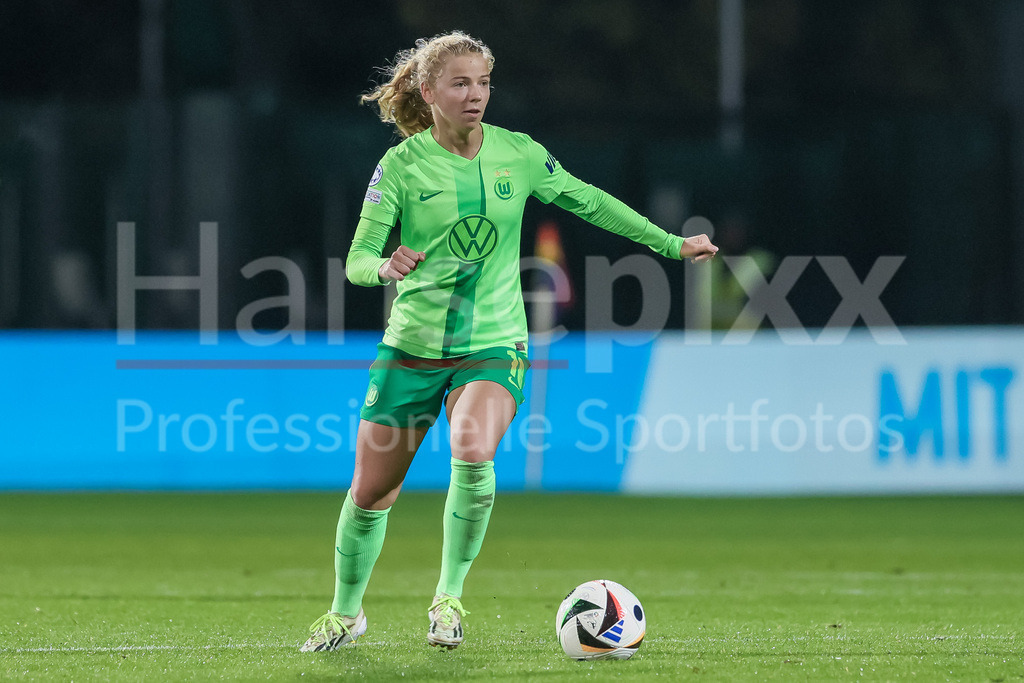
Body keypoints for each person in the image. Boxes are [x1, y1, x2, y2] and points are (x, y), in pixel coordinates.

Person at [300, 30, 718, 653]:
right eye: (460, 83)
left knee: (472, 447)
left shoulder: (518, 154)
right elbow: (356, 259)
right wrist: (384, 267)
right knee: (370, 493)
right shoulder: (401, 166)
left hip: (495, 342)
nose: (476, 96)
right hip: (411, 346)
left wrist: (670, 243)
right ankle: (346, 612)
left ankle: (448, 599)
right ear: (428, 90)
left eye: (484, 83)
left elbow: (589, 201)